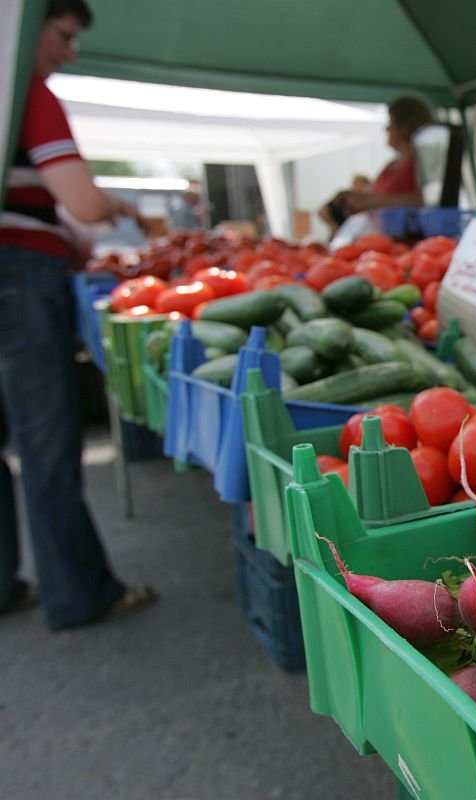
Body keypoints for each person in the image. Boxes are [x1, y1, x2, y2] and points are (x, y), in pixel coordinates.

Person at [0, 0, 157, 629]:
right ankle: (79, 594)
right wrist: (119, 207)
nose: (69, 52)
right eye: (64, 36)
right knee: (45, 442)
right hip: (19, 275)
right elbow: (83, 203)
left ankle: (4, 584)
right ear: (28, 25)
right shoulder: (26, 91)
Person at [319, 96, 435, 233]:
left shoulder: (423, 164)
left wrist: (369, 201)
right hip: (381, 238)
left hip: (409, 240)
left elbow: (428, 200)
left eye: (391, 122)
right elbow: (375, 197)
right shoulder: (391, 165)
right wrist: (356, 199)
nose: (387, 128)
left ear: (405, 124)